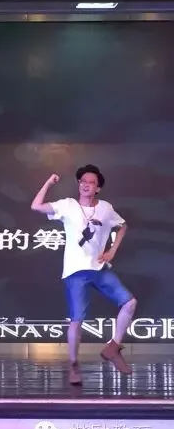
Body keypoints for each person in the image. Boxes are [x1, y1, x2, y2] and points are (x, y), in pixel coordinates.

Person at [31, 164, 137, 385]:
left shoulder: (106, 208)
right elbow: (36, 206)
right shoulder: (67, 205)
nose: (86, 185)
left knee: (130, 303)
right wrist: (49, 183)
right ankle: (73, 365)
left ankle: (113, 348)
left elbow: (123, 226)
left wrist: (112, 251)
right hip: (75, 271)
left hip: (99, 269)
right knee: (76, 320)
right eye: (83, 182)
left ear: (98, 188)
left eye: (91, 182)